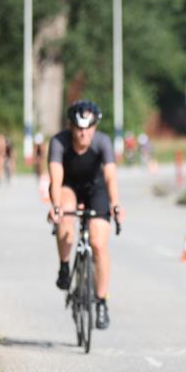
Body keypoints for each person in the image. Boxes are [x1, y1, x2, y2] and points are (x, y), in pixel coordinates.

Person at [47, 100, 126, 330]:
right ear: (70, 126)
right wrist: (55, 206)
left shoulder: (102, 142)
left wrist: (116, 204)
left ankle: (101, 301)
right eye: (78, 128)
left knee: (98, 243)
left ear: (95, 127)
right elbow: (56, 178)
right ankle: (64, 266)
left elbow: (110, 176)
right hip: (69, 187)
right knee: (65, 213)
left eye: (88, 128)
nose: (83, 133)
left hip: (95, 189)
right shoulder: (59, 142)